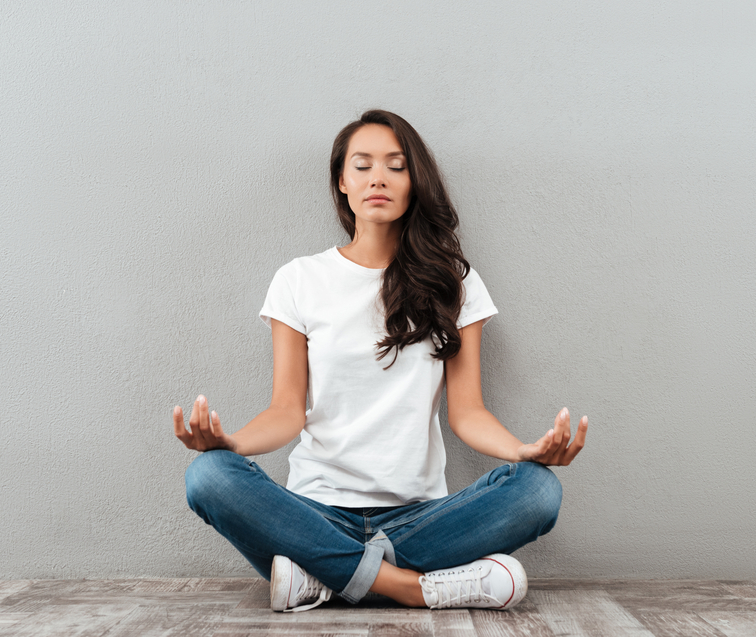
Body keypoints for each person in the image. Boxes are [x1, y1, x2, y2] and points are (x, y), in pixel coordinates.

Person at [173, 109, 588, 612]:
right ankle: (411, 588)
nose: (378, 178)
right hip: (316, 512)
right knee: (210, 476)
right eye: (363, 165)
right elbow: (286, 409)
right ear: (342, 182)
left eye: (396, 165)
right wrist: (232, 444)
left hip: (421, 519)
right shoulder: (299, 279)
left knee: (538, 491)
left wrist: (524, 451)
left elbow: (468, 413)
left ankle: (323, 577)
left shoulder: (455, 282)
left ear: (415, 182)